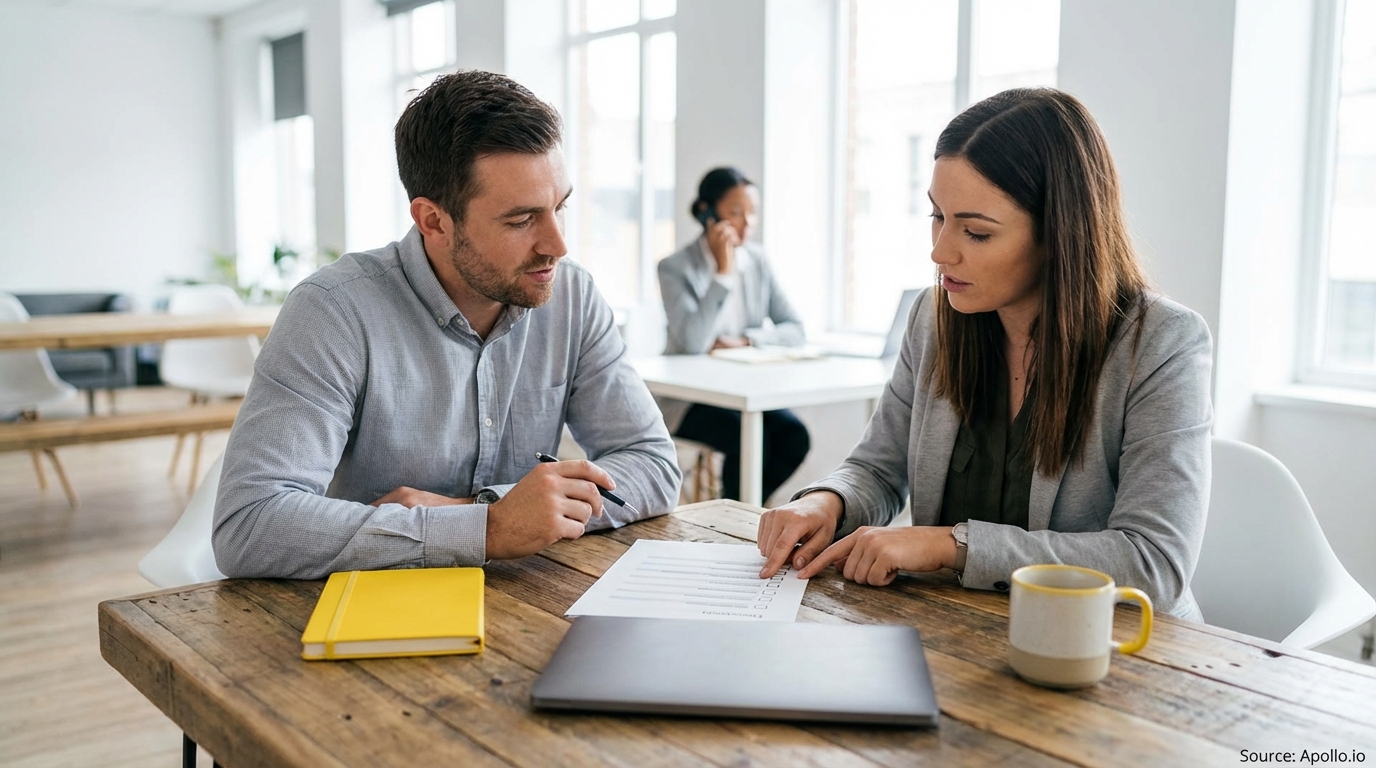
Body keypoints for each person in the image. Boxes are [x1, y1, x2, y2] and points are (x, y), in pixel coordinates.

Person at [756, 88, 1213, 620]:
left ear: (1060, 234)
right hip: (960, 635)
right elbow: (878, 469)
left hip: (1113, 651)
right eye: (936, 216)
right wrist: (826, 502)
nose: (940, 251)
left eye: (975, 231)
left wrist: (949, 546)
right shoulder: (935, 319)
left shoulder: (1161, 343)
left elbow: (1153, 563)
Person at [213, 70, 681, 578]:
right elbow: (249, 525)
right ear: (433, 220)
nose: (557, 245)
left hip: (524, 599)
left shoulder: (573, 296)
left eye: (560, 207)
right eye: (522, 220)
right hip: (373, 615)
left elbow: (652, 465)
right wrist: (490, 528)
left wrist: (484, 509)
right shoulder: (333, 310)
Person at [656, 167, 810, 504]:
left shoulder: (758, 261)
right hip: (689, 400)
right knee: (748, 441)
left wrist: (748, 340)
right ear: (707, 213)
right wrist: (723, 273)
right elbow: (694, 343)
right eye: (735, 213)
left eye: (752, 213)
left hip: (743, 391)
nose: (746, 224)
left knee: (793, 436)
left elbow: (795, 330)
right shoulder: (675, 267)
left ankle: (746, 509)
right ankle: (739, 519)